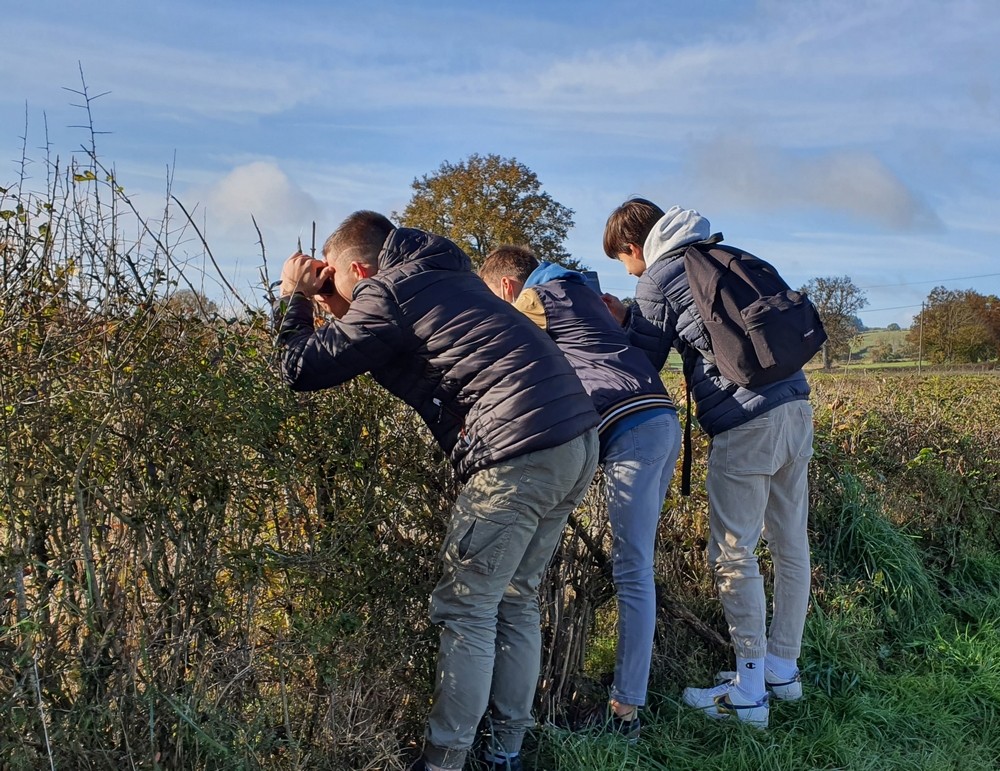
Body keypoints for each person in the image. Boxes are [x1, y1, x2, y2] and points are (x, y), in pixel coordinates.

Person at [274, 211, 601, 771]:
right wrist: (336, 303)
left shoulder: (389, 290)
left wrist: (293, 296)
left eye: (337, 279)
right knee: (515, 601)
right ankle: (507, 753)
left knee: (467, 609)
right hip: (574, 437)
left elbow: (298, 368)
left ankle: (443, 761)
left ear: (356, 267)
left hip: (515, 453)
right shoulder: (442, 275)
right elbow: (392, 350)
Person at [601, 200, 814, 728]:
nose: (628, 272)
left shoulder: (658, 275)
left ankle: (747, 690)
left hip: (746, 425)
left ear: (635, 247)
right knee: (790, 542)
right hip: (796, 408)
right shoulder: (723, 253)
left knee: (733, 552)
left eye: (623, 261)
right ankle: (781, 671)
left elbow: (641, 362)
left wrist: (614, 323)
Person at [478, 246, 681, 739]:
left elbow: (495, 358)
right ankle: (630, 698)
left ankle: (626, 713)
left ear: (507, 287)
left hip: (630, 426)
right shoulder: (581, 293)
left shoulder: (535, 299)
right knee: (637, 566)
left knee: (632, 569)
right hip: (658, 416)